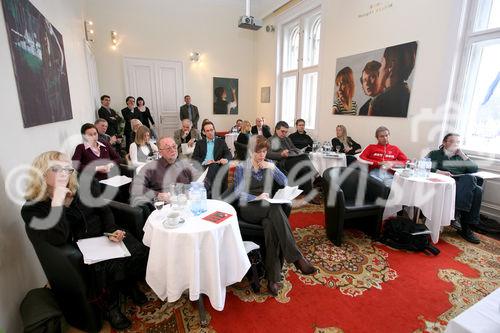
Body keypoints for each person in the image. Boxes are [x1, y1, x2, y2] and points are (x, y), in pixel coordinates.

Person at [21, 151, 148, 330]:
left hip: (104, 234)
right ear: (41, 174)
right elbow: (58, 237)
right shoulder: (33, 208)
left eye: (68, 169)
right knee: (106, 266)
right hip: (79, 245)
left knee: (138, 251)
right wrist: (57, 202)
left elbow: (104, 210)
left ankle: (128, 284)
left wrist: (112, 231)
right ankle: (111, 307)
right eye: (57, 169)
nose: (65, 173)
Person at [233, 136, 316, 296]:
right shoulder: (242, 167)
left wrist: (272, 168)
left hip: (267, 206)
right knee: (275, 209)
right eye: (258, 152)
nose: (262, 155)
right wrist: (256, 198)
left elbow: (286, 182)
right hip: (249, 207)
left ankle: (273, 278)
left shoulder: (269, 164)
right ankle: (297, 258)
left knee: (270, 225)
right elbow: (238, 194)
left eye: (264, 151)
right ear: (251, 152)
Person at [426, 133, 482, 244]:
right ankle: (465, 226)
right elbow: (424, 166)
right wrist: (439, 172)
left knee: (471, 180)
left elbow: (474, 169)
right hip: (444, 182)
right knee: (477, 191)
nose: (455, 144)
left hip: (461, 182)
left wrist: (463, 155)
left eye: (457, 142)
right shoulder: (435, 154)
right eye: (452, 141)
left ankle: (457, 215)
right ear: (444, 142)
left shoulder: (461, 156)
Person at [130, 137, 197, 207]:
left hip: (187, 203)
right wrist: (157, 195)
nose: (172, 150)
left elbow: (201, 177)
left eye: (174, 146)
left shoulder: (184, 164)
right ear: (160, 152)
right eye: (168, 148)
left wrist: (196, 187)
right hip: (166, 207)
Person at [267, 121, 320, 204]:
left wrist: (298, 151)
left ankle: (309, 196)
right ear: (276, 129)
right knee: (304, 158)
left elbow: (294, 148)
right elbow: (268, 154)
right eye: (282, 131)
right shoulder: (270, 140)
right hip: (283, 162)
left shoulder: (287, 139)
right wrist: (280, 154)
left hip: (293, 159)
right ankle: (316, 175)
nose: (284, 133)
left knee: (306, 168)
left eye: (286, 132)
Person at [369, 41, 417, 117]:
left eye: (381, 64)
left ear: (391, 66)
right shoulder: (411, 98)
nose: (378, 70)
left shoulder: (379, 102)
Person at [192, 121, 232, 196]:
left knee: (213, 166)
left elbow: (228, 154)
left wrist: (226, 159)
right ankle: (213, 193)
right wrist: (205, 161)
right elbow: (194, 158)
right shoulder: (200, 143)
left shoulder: (221, 142)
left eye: (212, 130)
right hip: (204, 166)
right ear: (204, 132)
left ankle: (206, 190)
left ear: (214, 130)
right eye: (207, 131)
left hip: (217, 166)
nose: (210, 132)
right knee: (212, 166)